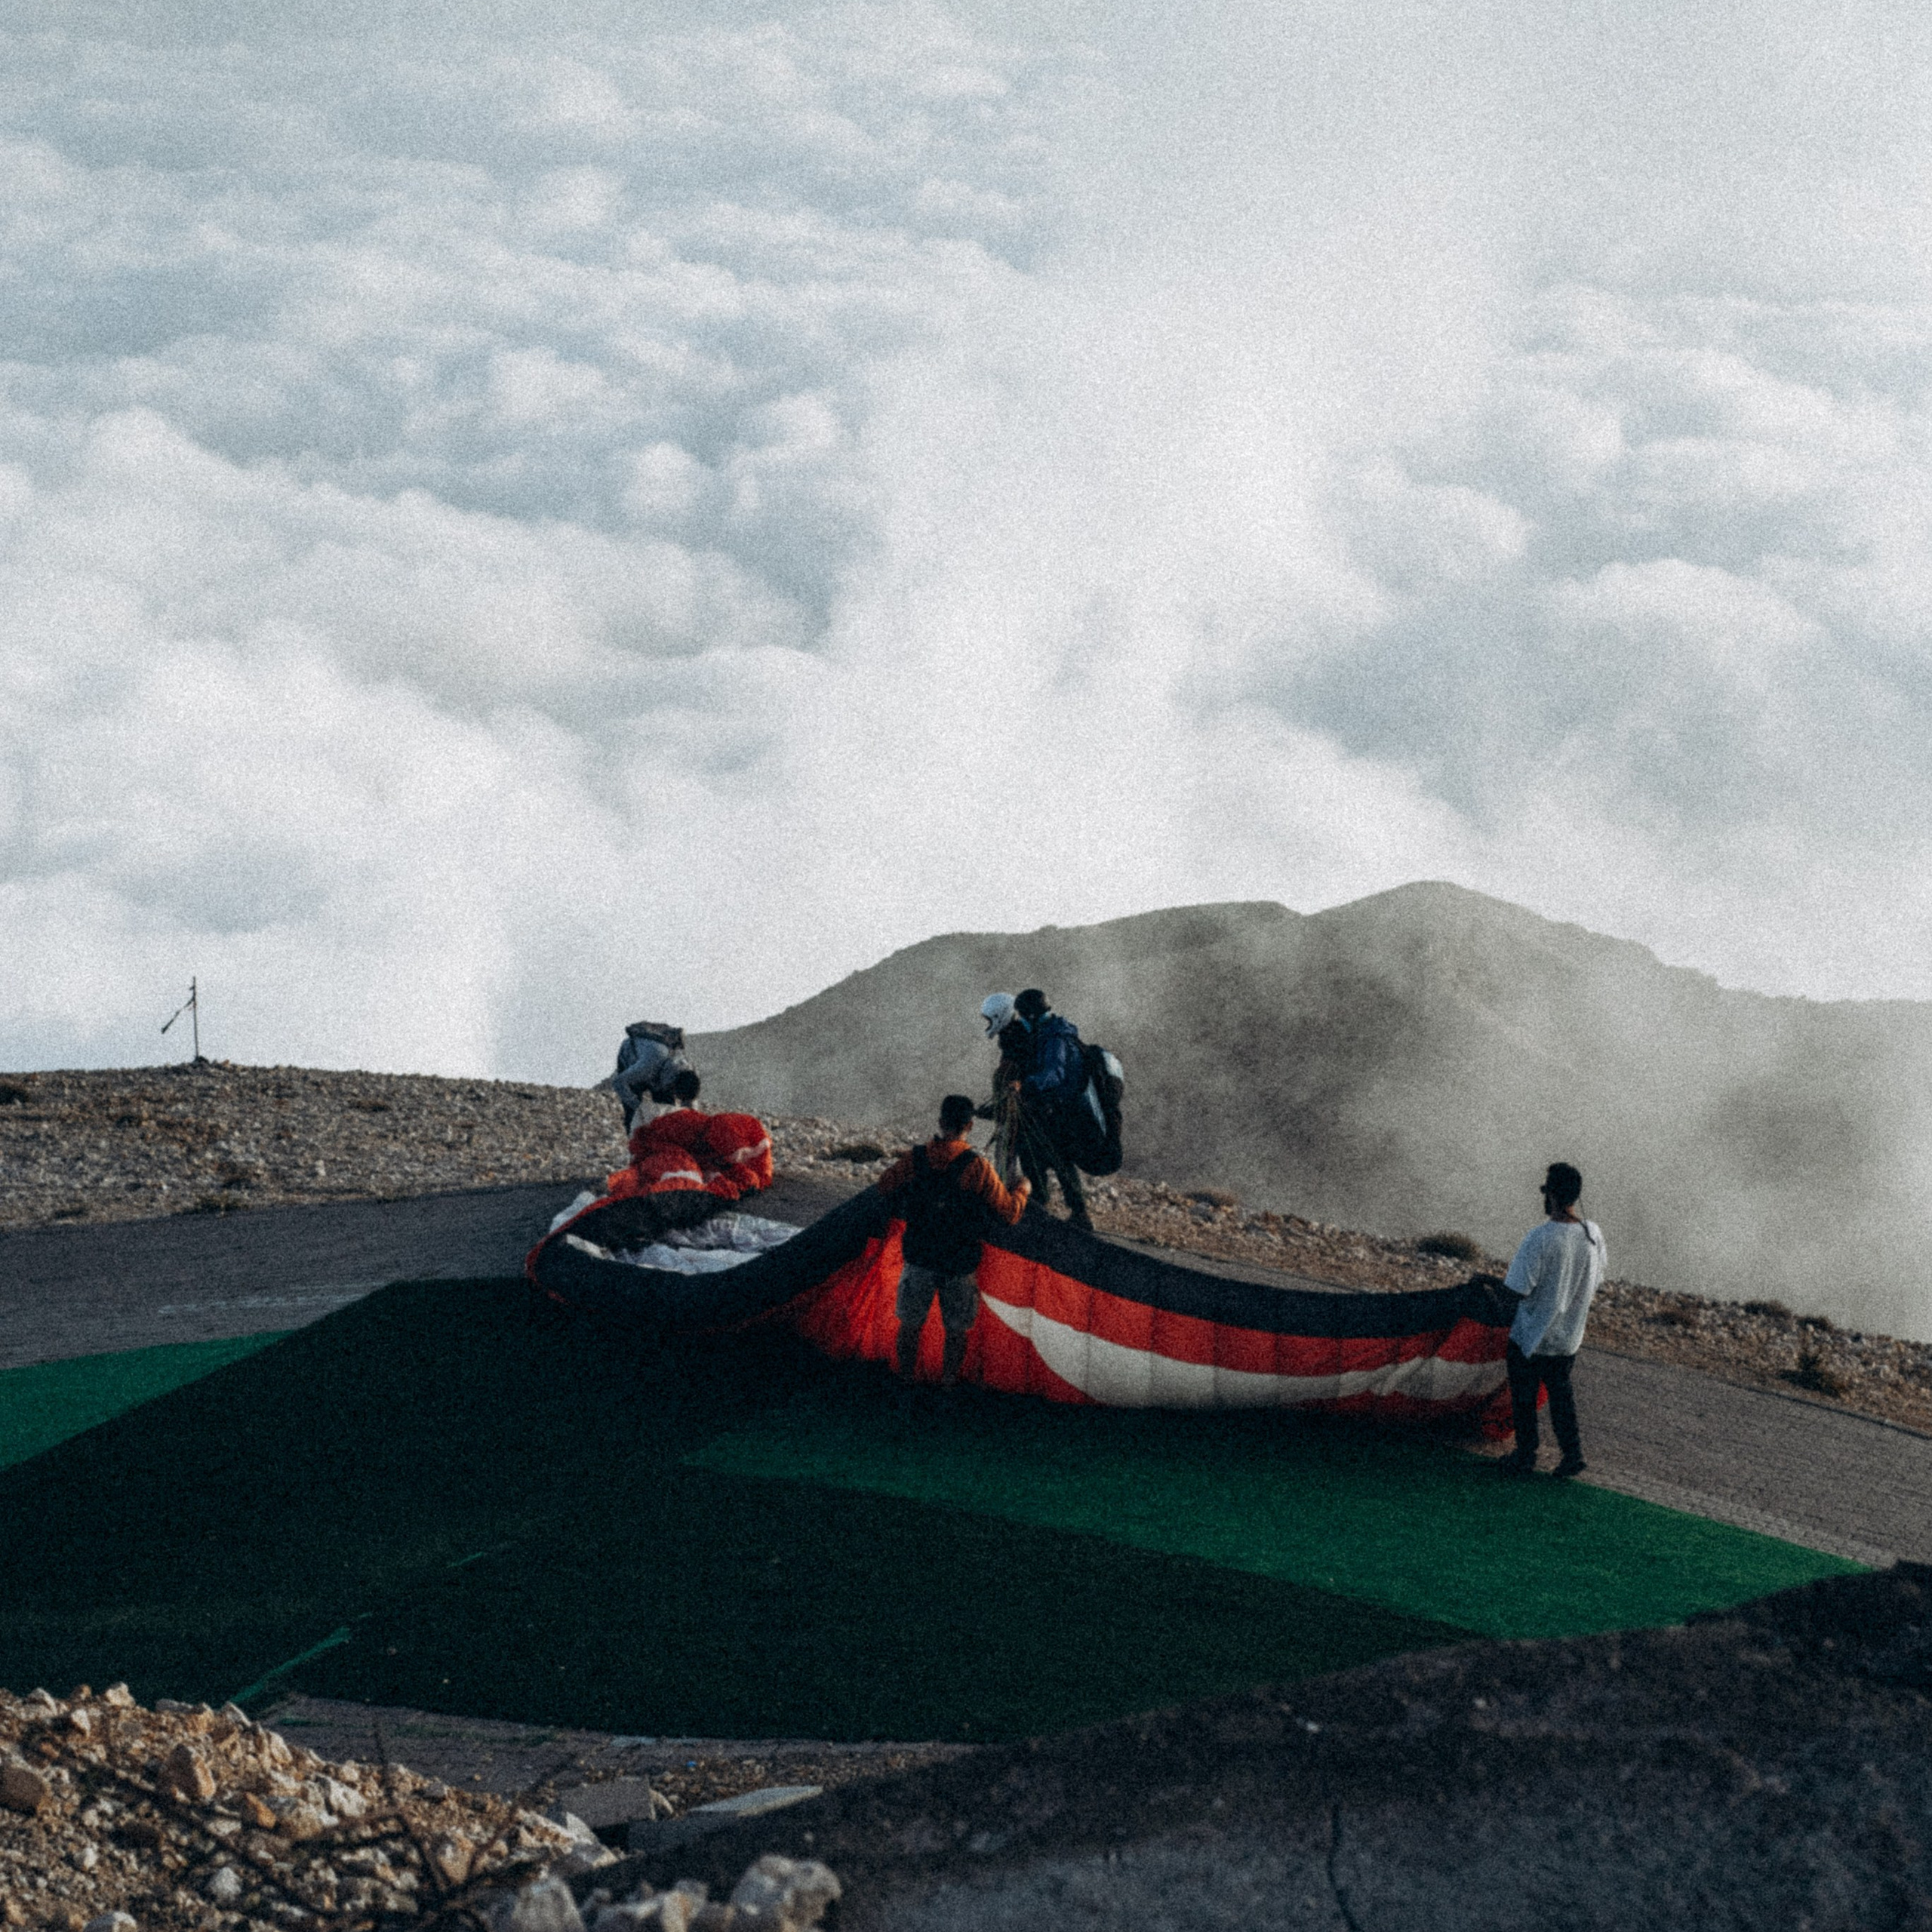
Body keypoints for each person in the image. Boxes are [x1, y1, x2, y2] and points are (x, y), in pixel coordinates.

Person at [875, 1094, 1030, 1392]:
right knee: (956, 1330)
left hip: (919, 1256)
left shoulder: (917, 1158)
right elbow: (1009, 1213)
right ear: (970, 1126)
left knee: (910, 1325)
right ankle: (947, 1386)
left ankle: (905, 1383)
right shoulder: (979, 1168)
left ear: (941, 1122)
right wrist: (1023, 1190)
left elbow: (885, 1186)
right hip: (959, 1262)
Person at [1497, 1161, 1606, 1478]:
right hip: (1569, 1338)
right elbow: (1595, 1280)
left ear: (1554, 1196)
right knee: (1562, 1397)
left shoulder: (1540, 1238)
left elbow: (1518, 1289)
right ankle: (1572, 1454)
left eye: (1547, 1192)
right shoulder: (1593, 1235)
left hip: (1532, 1336)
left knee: (1524, 1397)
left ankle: (1525, 1454)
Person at [1006, 988, 1093, 1229]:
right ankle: (1051, 1205)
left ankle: (1076, 1212)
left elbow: (1054, 1074)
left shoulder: (1055, 1038)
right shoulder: (1052, 1032)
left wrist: (1025, 1085)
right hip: (1054, 1109)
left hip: (1060, 1111)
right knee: (1041, 1154)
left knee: (1057, 1158)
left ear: (1032, 1016)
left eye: (1023, 1016)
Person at [611, 1022, 695, 1131]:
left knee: (667, 1110)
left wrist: (692, 1121)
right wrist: (638, 1107)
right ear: (673, 1084)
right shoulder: (648, 1067)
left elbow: (689, 1102)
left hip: (661, 1069)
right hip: (631, 1059)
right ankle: (636, 1141)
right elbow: (619, 1082)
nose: (678, 1099)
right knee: (635, 1115)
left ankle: (665, 1138)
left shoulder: (687, 1071)